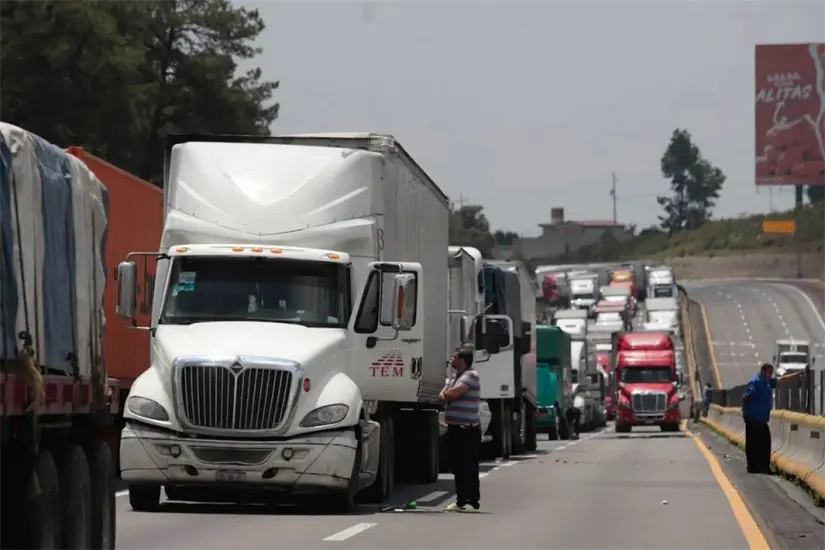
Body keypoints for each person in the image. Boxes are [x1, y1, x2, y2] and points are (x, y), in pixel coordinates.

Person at [439, 344, 481, 512]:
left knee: (469, 467)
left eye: (455, 358)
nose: (452, 360)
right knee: (457, 467)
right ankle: (461, 501)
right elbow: (443, 394)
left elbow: (450, 394)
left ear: (463, 360)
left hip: (467, 430)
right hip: (455, 429)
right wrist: (446, 394)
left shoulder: (471, 376)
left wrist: (446, 394)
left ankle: (472, 500)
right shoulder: (454, 377)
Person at [742, 363, 777, 474]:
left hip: (761, 419)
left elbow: (780, 380)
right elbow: (746, 397)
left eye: (771, 373)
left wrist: (797, 375)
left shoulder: (767, 382)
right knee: (754, 443)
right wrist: (745, 412)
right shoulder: (756, 382)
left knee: (764, 443)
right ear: (763, 371)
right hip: (753, 418)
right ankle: (753, 467)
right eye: (769, 373)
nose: (770, 375)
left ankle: (762, 467)